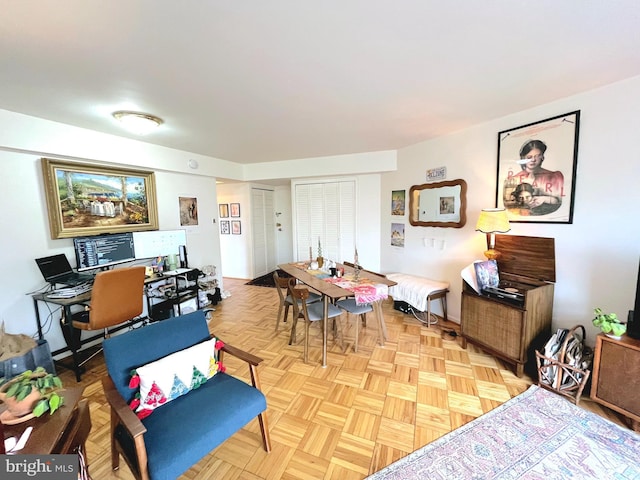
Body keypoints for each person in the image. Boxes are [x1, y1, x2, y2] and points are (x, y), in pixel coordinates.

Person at [505, 139, 564, 215]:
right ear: (523, 158)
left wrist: (544, 199)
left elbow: (559, 203)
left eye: (537, 156)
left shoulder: (554, 176)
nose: (533, 160)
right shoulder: (514, 179)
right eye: (529, 157)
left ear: (542, 157)